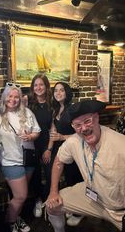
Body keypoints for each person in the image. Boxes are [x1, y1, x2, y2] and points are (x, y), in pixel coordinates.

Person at [45, 99, 125, 232]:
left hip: (120, 210)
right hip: (92, 197)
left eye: (87, 121)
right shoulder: (74, 141)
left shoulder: (120, 145)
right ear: (73, 127)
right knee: (52, 205)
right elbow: (59, 161)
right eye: (77, 125)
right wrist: (53, 191)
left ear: (97, 118)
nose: (84, 128)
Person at [0, 83, 41, 232]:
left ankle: (16, 217)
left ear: (20, 98)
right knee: (21, 196)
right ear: (4, 98)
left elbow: (37, 131)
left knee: (20, 194)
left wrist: (30, 136)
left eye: (16, 97)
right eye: (10, 96)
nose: (13, 99)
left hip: (28, 159)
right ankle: (10, 222)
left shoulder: (27, 112)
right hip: (10, 161)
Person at [47, 82, 83, 226]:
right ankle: (72, 205)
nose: (58, 93)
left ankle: (79, 212)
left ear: (67, 92)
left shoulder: (73, 109)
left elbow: (80, 134)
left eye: (62, 90)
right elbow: (53, 130)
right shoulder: (56, 109)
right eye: (56, 90)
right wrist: (49, 148)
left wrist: (61, 137)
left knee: (74, 179)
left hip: (73, 149)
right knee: (64, 180)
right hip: (60, 148)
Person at [25, 73, 53, 218]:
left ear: (46, 86)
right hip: (31, 144)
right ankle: (38, 200)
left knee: (50, 174)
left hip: (47, 144)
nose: (38, 87)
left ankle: (49, 201)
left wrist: (48, 149)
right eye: (35, 85)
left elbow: (53, 129)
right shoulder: (28, 102)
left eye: (41, 84)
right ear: (32, 87)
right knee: (35, 175)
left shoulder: (52, 104)